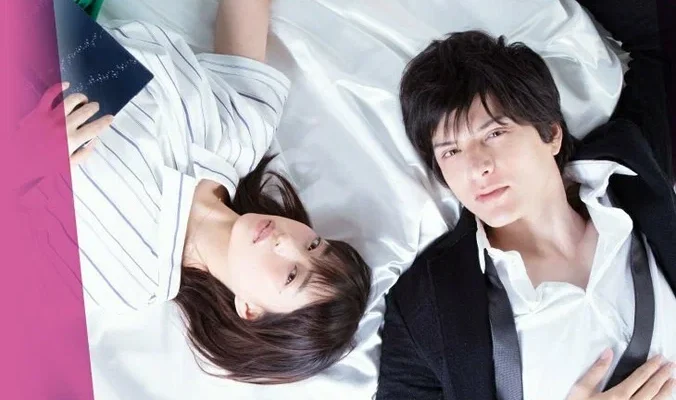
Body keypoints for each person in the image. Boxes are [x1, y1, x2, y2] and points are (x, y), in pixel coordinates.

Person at [21, 0, 371, 384]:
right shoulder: (245, 135)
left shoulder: (126, 281)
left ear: (250, 310)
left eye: (291, 275)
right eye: (314, 245)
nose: (286, 242)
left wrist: (24, 158)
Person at [376, 0, 676, 399]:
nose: (477, 167)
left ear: (551, 134)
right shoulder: (426, 306)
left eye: (494, 133)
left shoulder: (629, 171)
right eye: (451, 151)